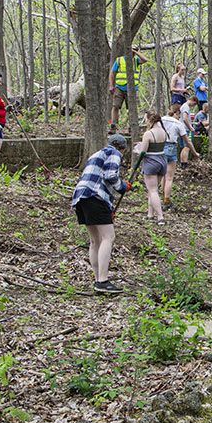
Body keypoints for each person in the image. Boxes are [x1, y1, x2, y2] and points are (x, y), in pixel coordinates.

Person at [71, 134, 130, 294]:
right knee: (108, 238)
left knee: (95, 240)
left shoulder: (97, 154)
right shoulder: (114, 153)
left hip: (81, 197)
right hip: (95, 197)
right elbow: (110, 176)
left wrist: (108, 209)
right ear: (122, 149)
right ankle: (103, 281)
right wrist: (123, 186)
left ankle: (98, 280)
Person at [161, 103, 199, 211]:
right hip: (171, 147)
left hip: (161, 147)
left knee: (163, 175)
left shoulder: (161, 120)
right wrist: (195, 153)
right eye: (179, 115)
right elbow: (187, 141)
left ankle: (163, 196)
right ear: (177, 113)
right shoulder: (178, 123)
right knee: (169, 177)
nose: (179, 117)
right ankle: (166, 200)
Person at [108, 50, 147, 133]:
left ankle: (131, 126)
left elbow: (145, 60)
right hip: (119, 87)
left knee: (131, 108)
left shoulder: (136, 60)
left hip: (132, 88)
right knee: (115, 106)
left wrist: (136, 52)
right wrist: (111, 85)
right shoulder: (119, 60)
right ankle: (113, 126)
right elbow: (112, 72)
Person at [140, 111, 168, 223]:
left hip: (151, 162)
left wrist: (138, 150)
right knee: (152, 190)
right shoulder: (163, 132)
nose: (145, 122)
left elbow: (143, 151)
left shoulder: (148, 134)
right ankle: (150, 214)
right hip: (162, 160)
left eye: (146, 119)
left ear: (150, 120)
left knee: (153, 190)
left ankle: (160, 217)